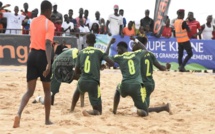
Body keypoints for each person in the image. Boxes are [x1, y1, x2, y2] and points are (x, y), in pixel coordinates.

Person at [13, 0, 55, 128]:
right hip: (42, 56)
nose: (51, 13)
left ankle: (18, 114)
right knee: (47, 90)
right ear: (47, 10)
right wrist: (49, 63)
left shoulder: (33, 21)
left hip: (31, 55)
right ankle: (47, 120)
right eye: (51, 10)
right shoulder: (50, 24)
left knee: (29, 91)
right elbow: (48, 44)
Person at [70, 33, 115, 116]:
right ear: (95, 41)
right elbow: (111, 63)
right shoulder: (98, 52)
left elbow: (76, 71)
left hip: (82, 81)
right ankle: (90, 112)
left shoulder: (81, 52)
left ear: (86, 41)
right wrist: (103, 66)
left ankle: (72, 109)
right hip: (93, 83)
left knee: (78, 89)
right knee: (98, 111)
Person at [105, 40, 149, 117]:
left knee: (117, 89)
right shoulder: (136, 54)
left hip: (125, 85)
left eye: (117, 49)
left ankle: (114, 110)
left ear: (121, 49)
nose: (117, 51)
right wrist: (136, 40)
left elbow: (105, 56)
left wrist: (109, 43)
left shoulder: (119, 57)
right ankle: (139, 110)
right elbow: (145, 50)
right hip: (137, 85)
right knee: (145, 111)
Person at [132, 36, 171, 114]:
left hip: (143, 85)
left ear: (139, 44)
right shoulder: (150, 54)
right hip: (150, 84)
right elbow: (161, 68)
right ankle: (164, 108)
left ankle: (164, 108)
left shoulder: (136, 55)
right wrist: (166, 67)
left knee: (143, 110)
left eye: (134, 44)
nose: (132, 45)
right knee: (143, 106)